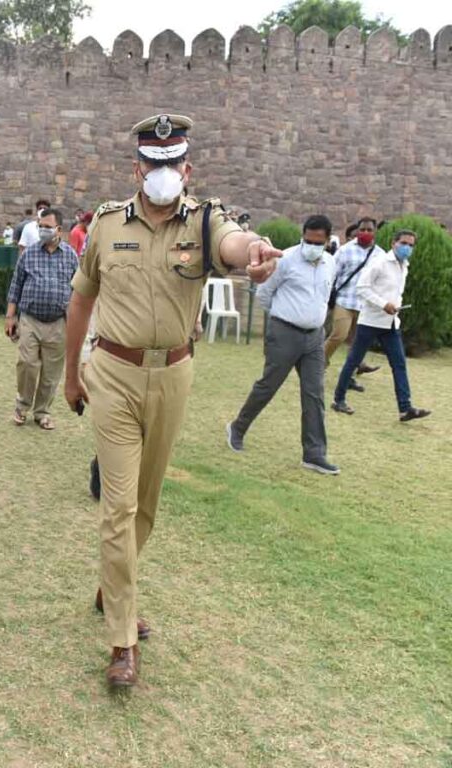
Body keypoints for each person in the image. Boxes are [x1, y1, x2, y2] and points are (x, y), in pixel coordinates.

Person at [63, 114, 282, 688]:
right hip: (112, 372)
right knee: (118, 507)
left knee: (147, 503)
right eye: (151, 164)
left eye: (172, 164)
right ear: (136, 167)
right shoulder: (108, 225)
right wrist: (71, 374)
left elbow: (235, 245)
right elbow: (81, 302)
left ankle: (114, 583)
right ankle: (122, 640)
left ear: (188, 168)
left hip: (175, 376)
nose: (162, 173)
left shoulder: (206, 221)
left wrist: (255, 249)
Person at [226, 215, 339, 474]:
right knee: (268, 386)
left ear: (326, 241)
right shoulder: (285, 259)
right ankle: (238, 428)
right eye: (307, 240)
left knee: (314, 394)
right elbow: (264, 293)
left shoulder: (330, 263)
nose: (311, 245)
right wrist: (283, 318)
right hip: (284, 332)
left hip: (314, 337)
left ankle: (314, 453)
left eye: (317, 242)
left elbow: (323, 296)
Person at [332, 229, 430, 422]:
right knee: (353, 361)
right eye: (404, 243)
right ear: (394, 243)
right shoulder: (380, 263)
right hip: (370, 321)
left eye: (411, 245)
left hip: (391, 323)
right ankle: (338, 399)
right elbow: (362, 287)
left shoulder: (404, 265)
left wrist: (393, 307)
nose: (407, 248)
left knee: (399, 364)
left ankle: (405, 408)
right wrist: (383, 304)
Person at [5, 208, 78, 430]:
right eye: (40, 226)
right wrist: (10, 316)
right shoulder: (29, 253)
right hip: (30, 319)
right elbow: (16, 284)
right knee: (27, 363)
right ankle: (22, 406)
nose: (43, 230)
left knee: (51, 372)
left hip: (58, 322)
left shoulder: (71, 256)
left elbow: (78, 291)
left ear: (59, 229)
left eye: (47, 226)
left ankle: (42, 411)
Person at [324, 217, 383, 391]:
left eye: (369, 230)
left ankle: (348, 377)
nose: (365, 233)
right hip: (345, 300)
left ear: (375, 232)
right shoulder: (345, 250)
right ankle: (319, 366)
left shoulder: (380, 254)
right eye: (362, 229)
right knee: (339, 335)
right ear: (357, 231)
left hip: (365, 304)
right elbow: (332, 273)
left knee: (358, 343)